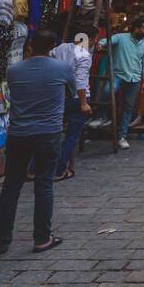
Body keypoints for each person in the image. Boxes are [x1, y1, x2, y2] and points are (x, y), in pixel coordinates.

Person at [0, 29, 74, 254]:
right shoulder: (63, 68)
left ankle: (1, 239)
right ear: (52, 47)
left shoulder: (14, 70)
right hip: (48, 133)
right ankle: (42, 238)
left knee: (11, 186)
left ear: (29, 45)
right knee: (44, 185)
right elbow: (73, 91)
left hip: (19, 133)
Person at [51, 34, 92, 180]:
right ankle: (59, 170)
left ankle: (33, 169)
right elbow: (80, 80)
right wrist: (83, 103)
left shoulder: (59, 49)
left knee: (51, 134)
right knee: (72, 136)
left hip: (57, 95)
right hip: (75, 98)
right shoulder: (84, 54)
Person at [109, 19, 144, 149]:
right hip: (117, 75)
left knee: (128, 107)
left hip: (134, 78)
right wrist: (101, 44)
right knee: (107, 92)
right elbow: (107, 41)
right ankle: (101, 117)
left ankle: (122, 136)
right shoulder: (121, 38)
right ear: (136, 28)